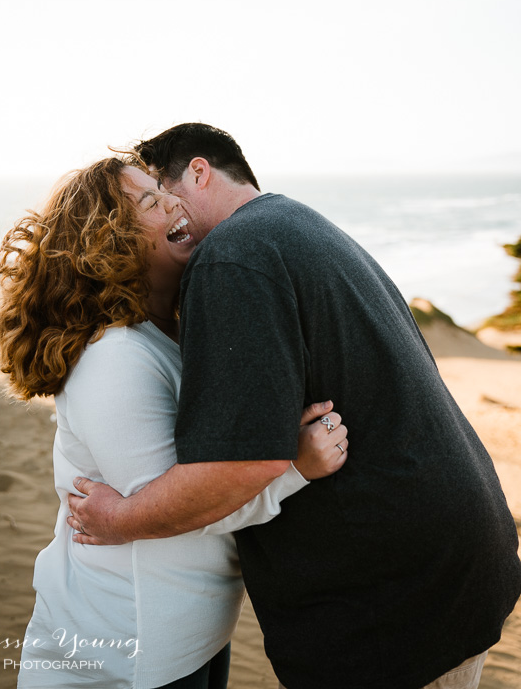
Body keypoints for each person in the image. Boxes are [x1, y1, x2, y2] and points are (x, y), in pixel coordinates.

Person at [68, 124, 521, 689]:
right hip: (452, 564)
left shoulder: (232, 255)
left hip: (391, 604)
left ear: (200, 172)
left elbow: (240, 464)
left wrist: (119, 518)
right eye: (147, 203)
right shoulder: (295, 224)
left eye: (161, 192)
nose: (164, 211)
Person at [0, 155, 348, 689]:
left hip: (185, 637)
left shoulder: (164, 332)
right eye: (151, 200)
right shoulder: (114, 356)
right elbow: (170, 506)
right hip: (125, 651)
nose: (174, 200)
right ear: (110, 242)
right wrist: (294, 467)